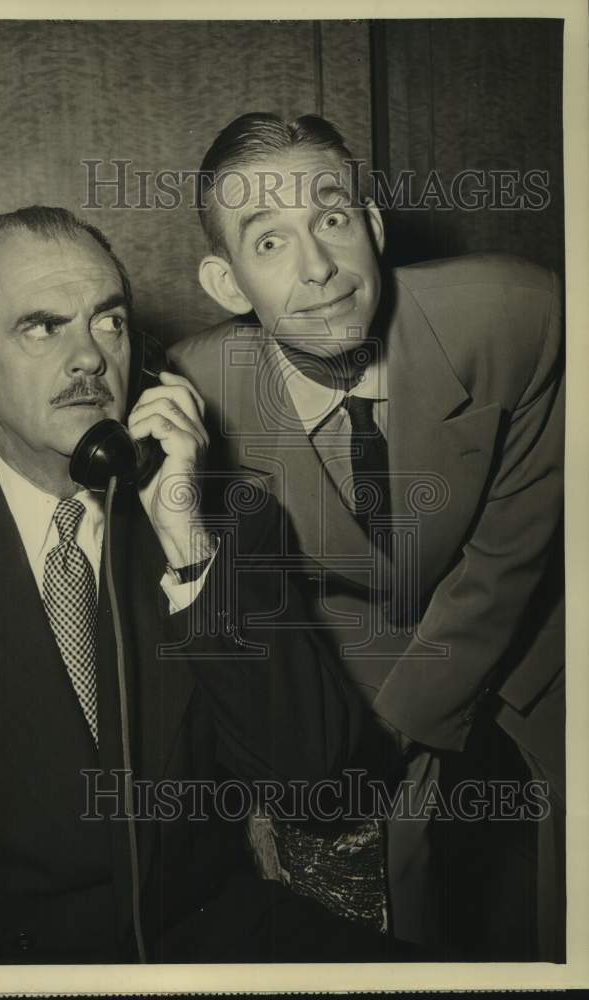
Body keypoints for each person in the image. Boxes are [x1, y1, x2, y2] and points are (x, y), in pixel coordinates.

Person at [0, 205, 410, 966]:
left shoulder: (228, 524)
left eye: (108, 323)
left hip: (200, 940)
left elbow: (323, 781)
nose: (88, 358)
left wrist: (186, 543)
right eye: (42, 327)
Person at [169, 113, 565, 959]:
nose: (318, 269)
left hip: (542, 629)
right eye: (268, 243)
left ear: (374, 228)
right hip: (356, 642)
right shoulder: (196, 388)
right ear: (227, 282)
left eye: (333, 219)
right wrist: (330, 765)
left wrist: (404, 720)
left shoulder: (519, 316)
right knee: (384, 914)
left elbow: (512, 554)